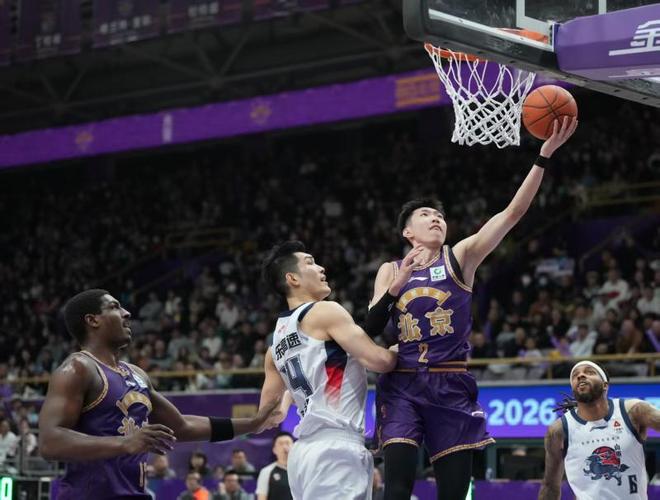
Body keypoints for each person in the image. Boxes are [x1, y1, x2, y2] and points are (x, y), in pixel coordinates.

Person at [367, 117, 578, 500]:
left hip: (450, 382)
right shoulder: (390, 270)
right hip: (404, 383)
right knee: (396, 488)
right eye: (426, 215)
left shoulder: (461, 255)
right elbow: (372, 326)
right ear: (407, 232)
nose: (436, 219)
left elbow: (511, 214)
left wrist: (543, 157)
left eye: (440, 216)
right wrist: (396, 287)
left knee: (453, 493)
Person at [38, 289, 282, 500]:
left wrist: (252, 424)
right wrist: (125, 443)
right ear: (92, 320)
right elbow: (49, 442)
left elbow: (182, 426)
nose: (126, 313)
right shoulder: (78, 368)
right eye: (114, 307)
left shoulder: (136, 374)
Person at [257, 241, 400, 500]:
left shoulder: (274, 345)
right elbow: (380, 362)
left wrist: (291, 396)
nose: (321, 268)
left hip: (303, 455)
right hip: (336, 448)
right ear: (292, 279)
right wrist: (401, 348)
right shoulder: (326, 311)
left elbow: (271, 416)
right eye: (310, 263)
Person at [539, 360, 660, 499]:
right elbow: (550, 486)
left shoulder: (632, 411)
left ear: (605, 385)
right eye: (575, 375)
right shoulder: (558, 430)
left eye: (589, 372)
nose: (581, 376)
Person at [256, 432, 294, 500]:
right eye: (281, 444)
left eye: (287, 443)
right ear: (274, 450)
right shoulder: (266, 471)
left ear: (295, 447)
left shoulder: (302, 470)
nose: (285, 447)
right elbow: (261, 497)